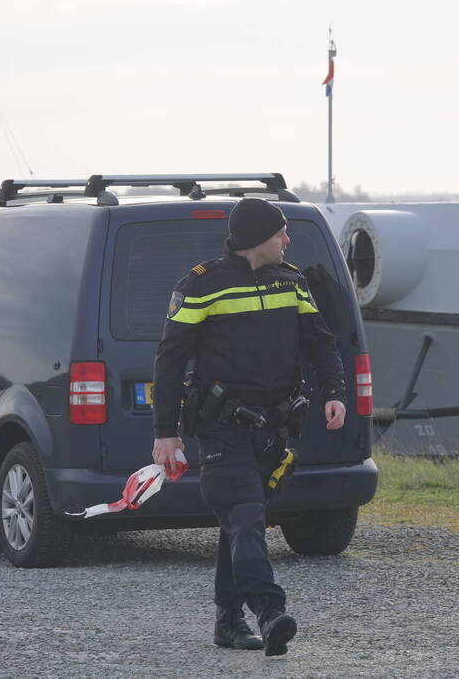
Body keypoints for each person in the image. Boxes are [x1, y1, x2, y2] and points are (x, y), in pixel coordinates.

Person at [151, 197, 346, 656]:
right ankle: (268, 610)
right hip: (222, 426)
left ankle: (227, 621)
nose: (287, 239)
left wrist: (334, 392)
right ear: (259, 239)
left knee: (242, 522)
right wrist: (166, 431)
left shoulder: (291, 281)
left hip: (274, 426)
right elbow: (170, 359)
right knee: (244, 513)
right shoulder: (202, 286)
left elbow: (321, 343)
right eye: (281, 232)